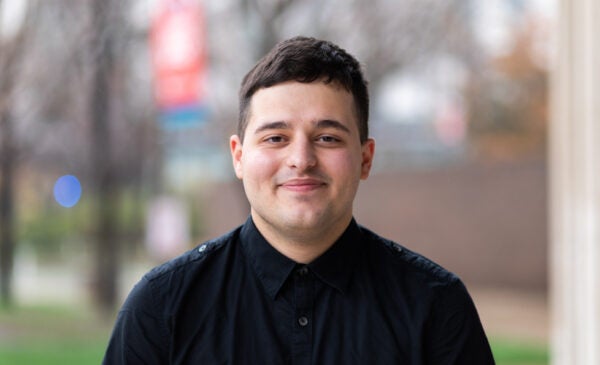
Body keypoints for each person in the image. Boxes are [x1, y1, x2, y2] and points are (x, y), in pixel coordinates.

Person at [102, 36, 495, 364]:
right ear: (238, 157)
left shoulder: (436, 307)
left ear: (365, 158)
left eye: (327, 138)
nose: (302, 159)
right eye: (275, 137)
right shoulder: (162, 308)